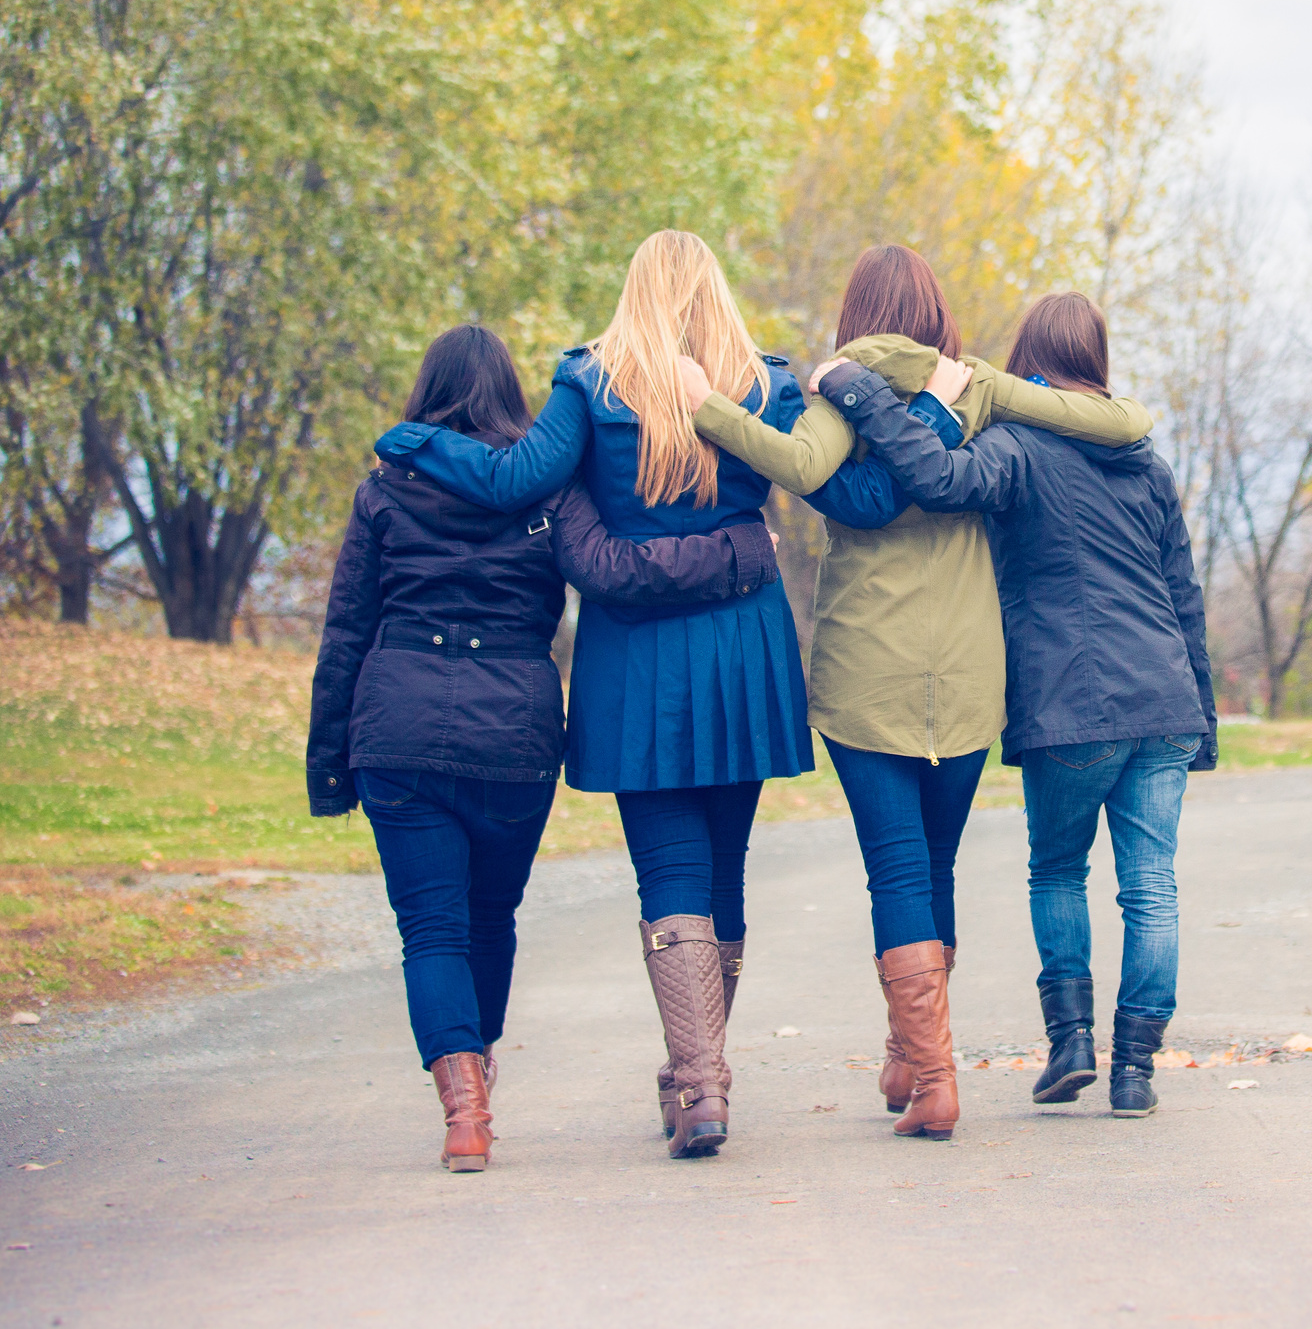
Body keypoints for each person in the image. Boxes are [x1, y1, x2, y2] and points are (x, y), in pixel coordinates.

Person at [365, 232, 922, 1159]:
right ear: (714, 293)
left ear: (633, 293)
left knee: (670, 871)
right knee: (725, 867)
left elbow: (512, 481)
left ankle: (700, 1083)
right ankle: (697, 1075)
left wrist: (410, 439)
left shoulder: (589, 385)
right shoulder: (768, 386)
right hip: (743, 645)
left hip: (637, 660)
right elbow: (828, 480)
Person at [676, 245, 1155, 1140]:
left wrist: (698, 401)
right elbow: (1121, 423)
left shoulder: (835, 392)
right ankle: (913, 1054)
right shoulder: (978, 389)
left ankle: (932, 1075)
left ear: (856, 315)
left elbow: (798, 467)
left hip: (867, 669)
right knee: (934, 865)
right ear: (937, 315)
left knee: (895, 867)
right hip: (972, 669)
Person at [308, 323, 773, 1173]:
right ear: (514, 399)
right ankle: (485, 1085)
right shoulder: (549, 492)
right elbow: (619, 572)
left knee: (431, 931)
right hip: (514, 734)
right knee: (488, 917)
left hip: (399, 725)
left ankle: (466, 1113)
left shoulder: (386, 490)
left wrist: (330, 763)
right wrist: (740, 547)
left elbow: (347, 632)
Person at [811, 291, 1216, 1118]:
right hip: (1167, 700)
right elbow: (1185, 595)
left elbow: (930, 476)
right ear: (1097, 365)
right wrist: (1202, 718)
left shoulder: (1016, 447)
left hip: (1072, 702)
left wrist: (858, 392)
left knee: (1059, 869)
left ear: (1028, 365)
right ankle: (1135, 1069)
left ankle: (1070, 1044)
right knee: (1154, 887)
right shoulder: (1146, 461)